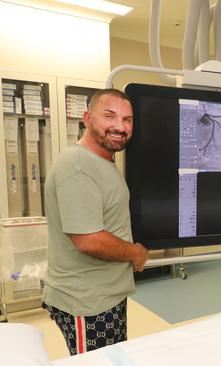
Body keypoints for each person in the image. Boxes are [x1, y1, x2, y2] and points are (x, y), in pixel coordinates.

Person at [42, 88, 149, 355]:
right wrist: (135, 252)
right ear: (87, 118)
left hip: (106, 296)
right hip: (85, 302)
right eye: (110, 116)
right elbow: (89, 240)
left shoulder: (102, 162)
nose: (120, 126)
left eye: (127, 119)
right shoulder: (77, 165)